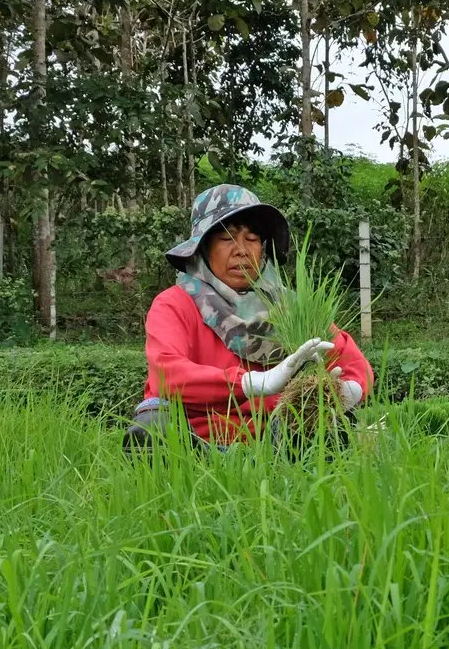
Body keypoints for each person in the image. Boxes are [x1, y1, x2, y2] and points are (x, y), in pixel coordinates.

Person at [124, 184, 373, 455]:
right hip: (197, 448)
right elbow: (167, 375)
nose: (241, 250)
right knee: (152, 424)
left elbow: (355, 365)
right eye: (227, 238)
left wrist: (344, 390)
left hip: (278, 446)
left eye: (252, 238)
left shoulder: (291, 308)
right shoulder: (175, 304)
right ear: (202, 247)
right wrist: (252, 383)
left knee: (331, 422)